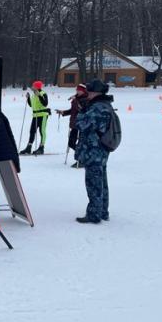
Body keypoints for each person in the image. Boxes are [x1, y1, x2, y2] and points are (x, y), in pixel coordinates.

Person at [74, 79, 114, 224]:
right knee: (101, 180)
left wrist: (81, 112)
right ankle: (102, 210)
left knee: (94, 182)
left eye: (90, 91)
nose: (88, 94)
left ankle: (94, 214)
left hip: (94, 150)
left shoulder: (98, 108)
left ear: (97, 92)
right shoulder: (104, 105)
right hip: (100, 149)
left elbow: (82, 125)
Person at [56, 83, 88, 168]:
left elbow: (82, 109)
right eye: (77, 90)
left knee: (81, 143)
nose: (77, 91)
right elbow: (73, 110)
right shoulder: (76, 98)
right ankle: (83, 156)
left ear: (83, 91)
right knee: (71, 143)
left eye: (79, 90)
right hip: (74, 123)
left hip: (82, 124)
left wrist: (76, 100)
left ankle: (82, 159)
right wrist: (63, 112)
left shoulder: (86, 99)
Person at [19, 80, 50, 155]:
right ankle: (29, 147)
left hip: (43, 115)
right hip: (35, 115)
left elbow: (45, 104)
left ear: (37, 87)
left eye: (33, 86)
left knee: (42, 131)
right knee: (32, 131)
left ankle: (41, 147)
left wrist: (39, 95)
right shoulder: (33, 95)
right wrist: (28, 98)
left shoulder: (43, 93)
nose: (32, 87)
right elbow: (31, 105)